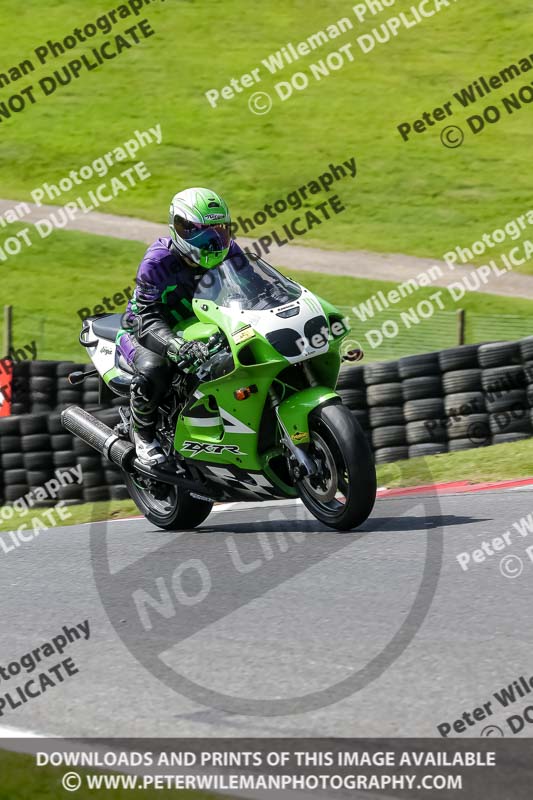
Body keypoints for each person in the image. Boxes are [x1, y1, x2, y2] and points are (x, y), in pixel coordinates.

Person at [118, 187, 245, 466]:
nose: (214, 242)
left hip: (201, 326)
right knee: (155, 369)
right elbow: (145, 315)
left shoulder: (231, 252)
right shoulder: (158, 261)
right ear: (181, 228)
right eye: (203, 233)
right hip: (146, 330)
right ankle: (144, 435)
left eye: (220, 231)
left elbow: (255, 290)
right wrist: (176, 345)